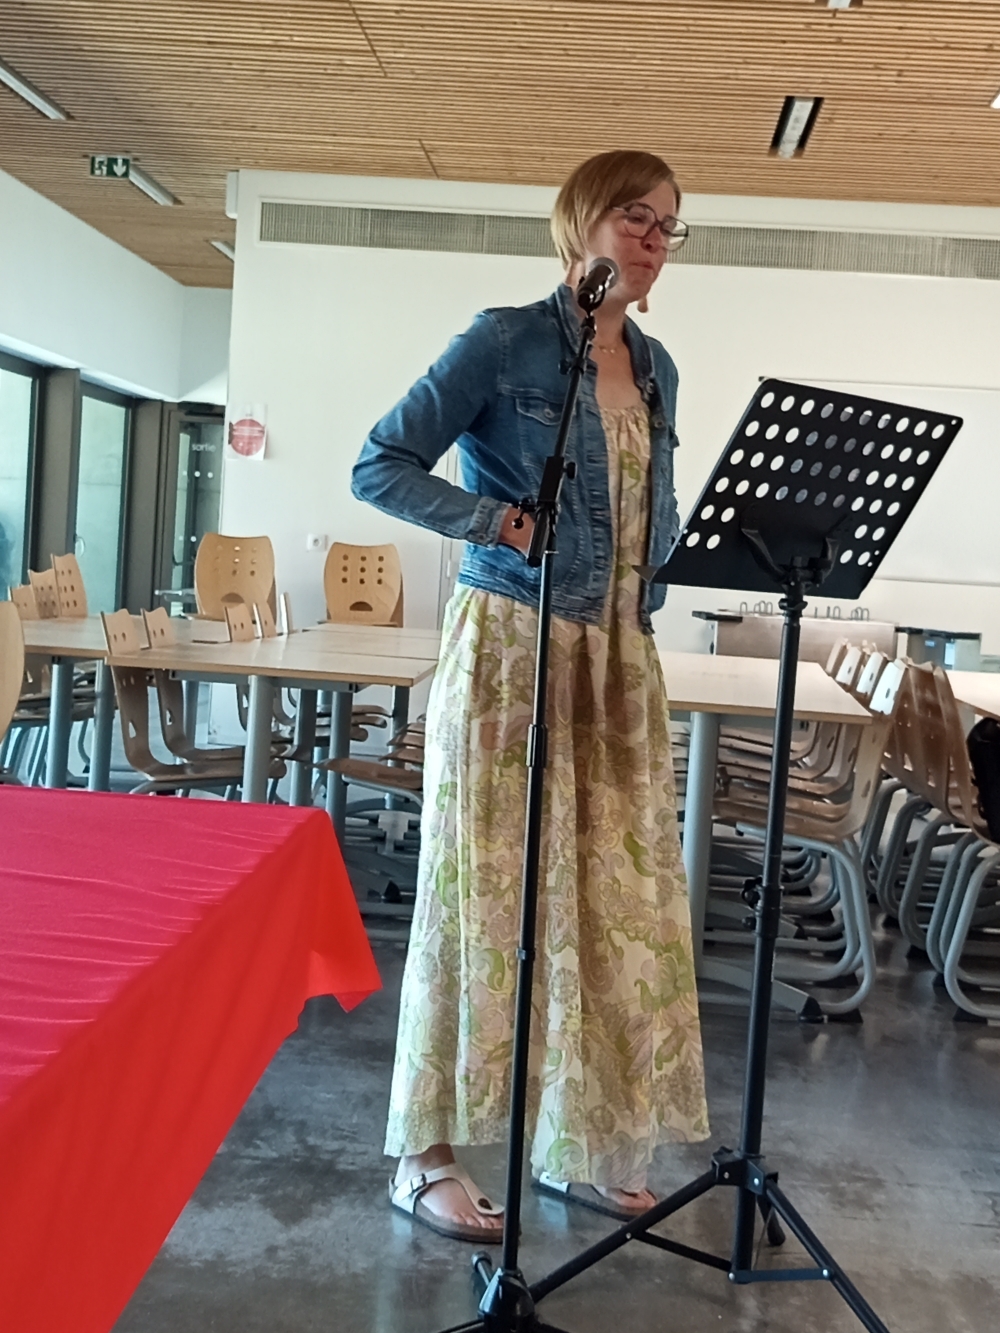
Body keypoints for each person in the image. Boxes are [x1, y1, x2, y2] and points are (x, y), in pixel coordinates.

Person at [352, 150, 709, 1243]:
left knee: (614, 907)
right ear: (581, 223)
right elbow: (379, 464)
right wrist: (495, 522)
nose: (653, 240)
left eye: (669, 225)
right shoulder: (502, 340)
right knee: (483, 902)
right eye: (635, 216)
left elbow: (646, 513)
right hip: (513, 646)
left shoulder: (657, 366)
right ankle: (422, 1155)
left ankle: (584, 1137)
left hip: (619, 657)